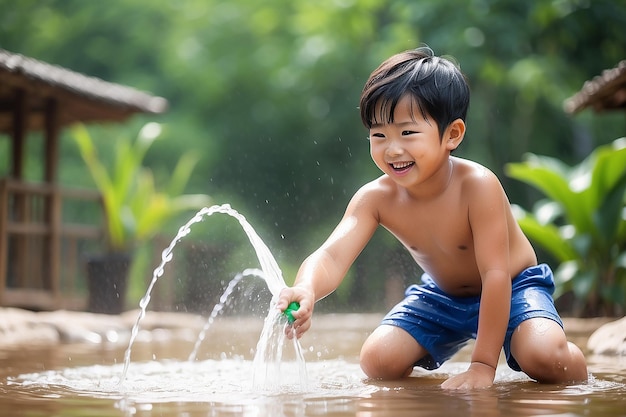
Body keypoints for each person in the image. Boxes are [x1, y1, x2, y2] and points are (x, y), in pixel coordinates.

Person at [276, 47, 588, 389]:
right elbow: (332, 255)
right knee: (377, 361)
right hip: (444, 296)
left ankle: (570, 358)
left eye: (407, 133)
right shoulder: (375, 198)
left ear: (452, 134)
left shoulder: (478, 186)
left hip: (513, 287)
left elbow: (495, 274)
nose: (392, 149)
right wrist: (306, 286)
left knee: (543, 356)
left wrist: (483, 366)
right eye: (379, 135)